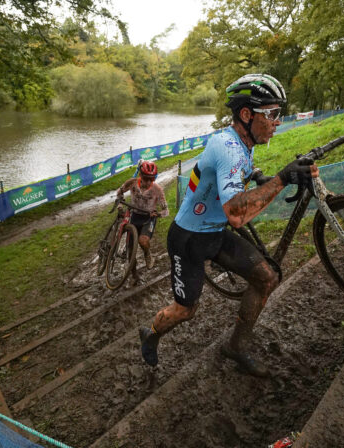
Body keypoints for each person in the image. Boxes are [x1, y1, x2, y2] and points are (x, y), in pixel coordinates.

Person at [138, 74, 318, 377]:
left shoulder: (240, 141)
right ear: (246, 115)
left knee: (266, 279)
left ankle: (235, 347)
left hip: (215, 232)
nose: (277, 122)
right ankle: (151, 334)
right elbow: (236, 214)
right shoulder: (229, 148)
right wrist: (281, 179)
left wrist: (257, 176)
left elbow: (235, 170)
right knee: (186, 310)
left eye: (279, 114)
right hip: (188, 239)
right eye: (272, 114)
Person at [115, 161, 168, 279]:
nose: (148, 182)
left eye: (151, 179)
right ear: (140, 175)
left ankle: (147, 253)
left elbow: (166, 211)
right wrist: (120, 205)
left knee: (143, 241)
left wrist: (158, 214)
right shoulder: (132, 183)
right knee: (130, 250)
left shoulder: (157, 189)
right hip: (135, 216)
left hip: (148, 219)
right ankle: (134, 276)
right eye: (146, 178)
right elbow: (119, 193)